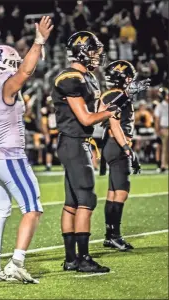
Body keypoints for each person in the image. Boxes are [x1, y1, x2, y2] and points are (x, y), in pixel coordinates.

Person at [51, 31, 148, 273]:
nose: (97, 56)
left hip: (77, 142)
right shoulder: (71, 78)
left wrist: (125, 97)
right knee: (87, 200)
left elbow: (101, 106)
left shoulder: (88, 78)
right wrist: (108, 114)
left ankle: (71, 259)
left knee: (72, 203)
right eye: (93, 51)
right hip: (73, 142)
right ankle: (82, 259)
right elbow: (87, 117)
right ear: (83, 51)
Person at [0, 17, 53, 283]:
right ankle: (16, 262)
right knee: (33, 208)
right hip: (9, 157)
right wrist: (39, 42)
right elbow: (25, 73)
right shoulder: (6, 86)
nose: (15, 67)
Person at [100, 60, 146, 251]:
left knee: (112, 193)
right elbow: (114, 125)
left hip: (110, 144)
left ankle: (110, 235)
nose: (130, 80)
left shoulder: (114, 93)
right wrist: (127, 148)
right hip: (117, 143)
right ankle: (114, 236)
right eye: (128, 77)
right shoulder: (117, 94)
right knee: (121, 192)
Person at [154, 87, 169, 172]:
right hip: (164, 129)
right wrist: (157, 130)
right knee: (164, 148)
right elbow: (157, 119)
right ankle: (163, 165)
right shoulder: (160, 106)